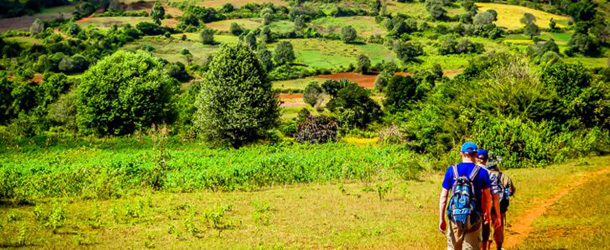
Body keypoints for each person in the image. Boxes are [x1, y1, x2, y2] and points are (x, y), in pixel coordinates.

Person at [439, 142, 499, 250]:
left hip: (455, 216)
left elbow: (443, 197)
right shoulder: (482, 172)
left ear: (461, 153)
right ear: (475, 155)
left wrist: (441, 218)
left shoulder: (451, 170)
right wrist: (487, 214)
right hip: (474, 217)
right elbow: (487, 197)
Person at [477, 150, 516, 250]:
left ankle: (487, 246)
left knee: (486, 226)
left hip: (485, 206)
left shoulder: (482, 174)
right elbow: (511, 191)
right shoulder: (504, 176)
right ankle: (499, 246)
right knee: (499, 226)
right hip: (500, 206)